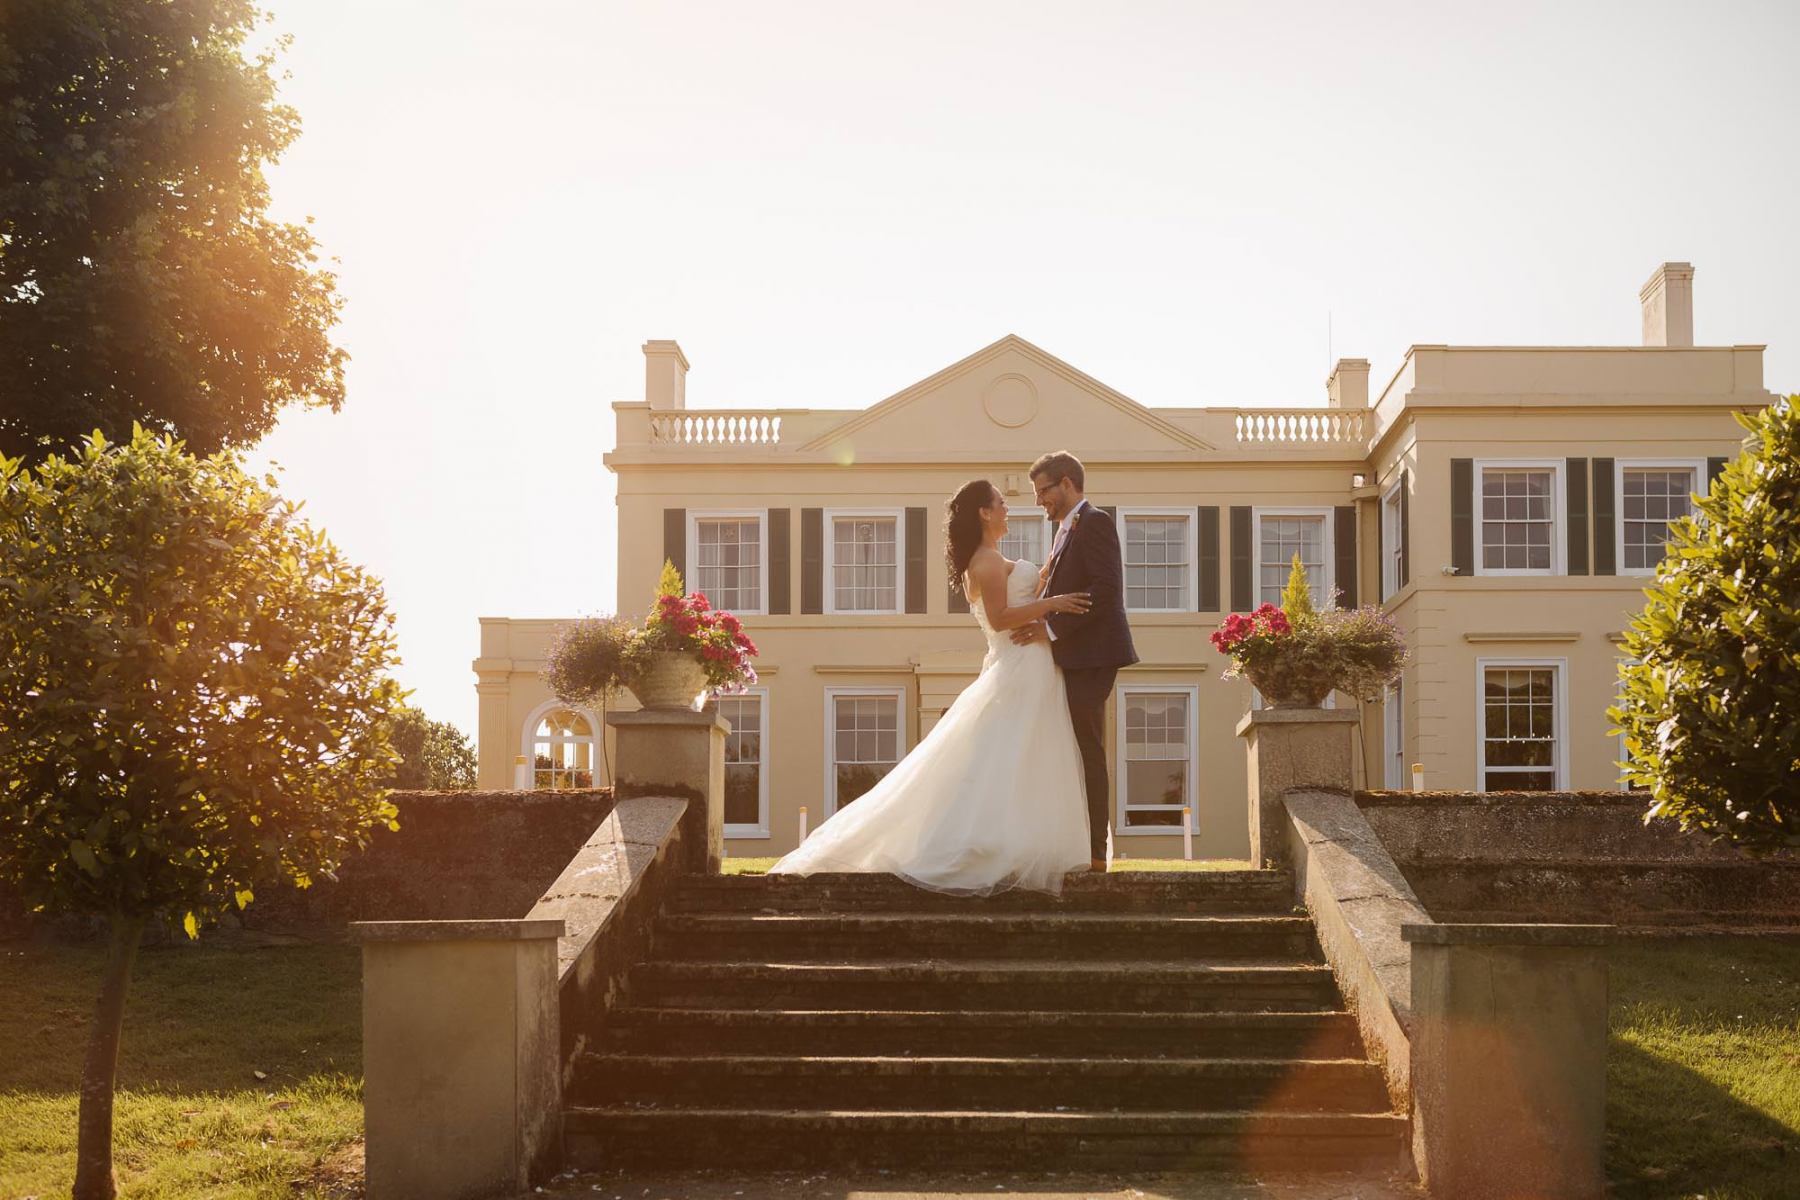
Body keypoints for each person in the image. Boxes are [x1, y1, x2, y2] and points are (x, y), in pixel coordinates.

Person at [768, 478, 1094, 894]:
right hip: (1020, 665)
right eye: (1000, 503)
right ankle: (981, 841)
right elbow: (1000, 618)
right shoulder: (986, 562)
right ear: (984, 512)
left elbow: (1029, 584)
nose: (1007, 509)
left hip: (1031, 664)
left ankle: (1013, 838)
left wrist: (1058, 554)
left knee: (1023, 753)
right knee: (1010, 751)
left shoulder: (992, 558)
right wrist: (1051, 605)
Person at [1010, 450, 1138, 870]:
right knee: (1073, 746)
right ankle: (1077, 841)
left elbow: (1105, 592)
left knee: (1088, 748)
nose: (1038, 500)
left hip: (1094, 654)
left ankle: (1096, 853)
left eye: (1042, 491)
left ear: (1067, 484)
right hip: (1073, 653)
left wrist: (1048, 629)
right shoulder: (1065, 530)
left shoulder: (1095, 522)